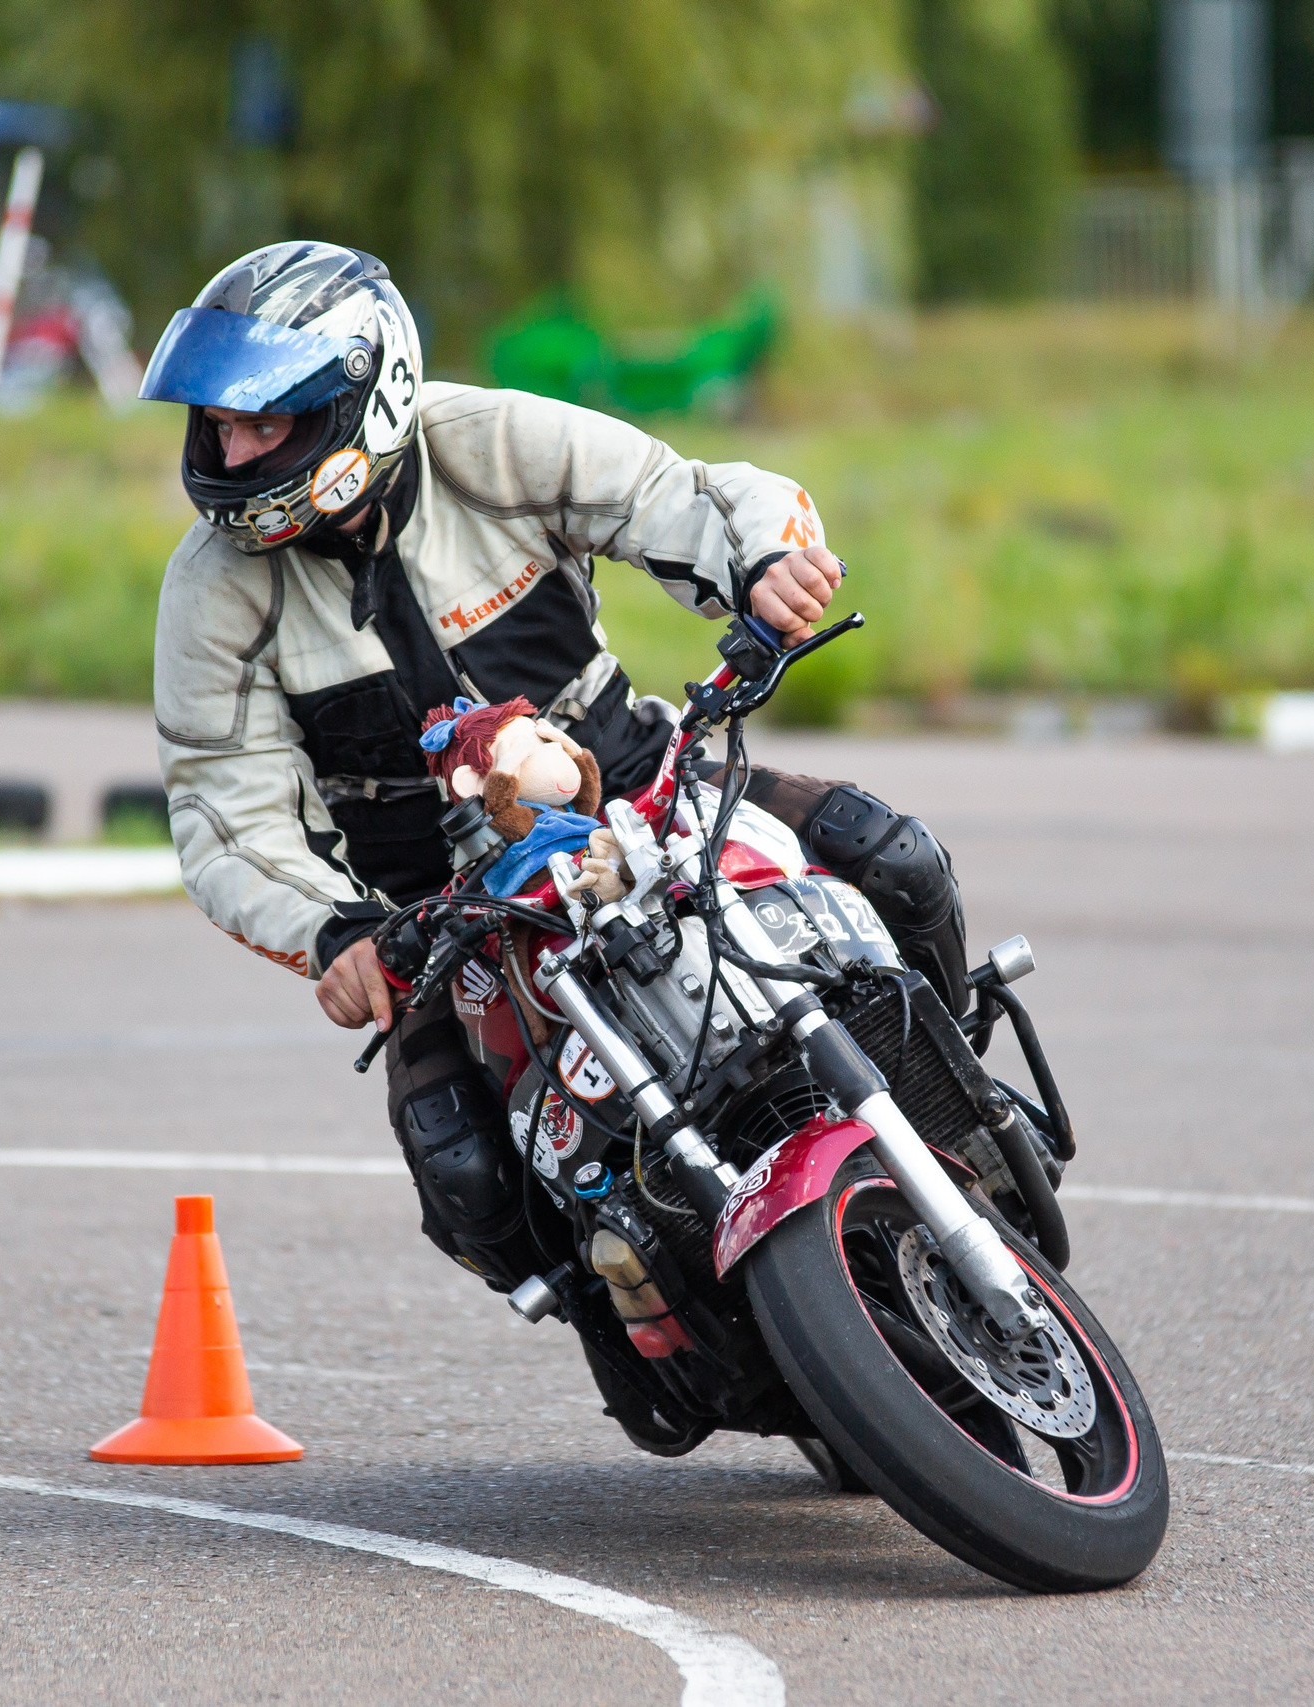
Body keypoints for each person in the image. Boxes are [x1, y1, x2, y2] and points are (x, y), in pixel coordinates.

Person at [146, 242, 971, 1288]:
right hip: (441, 920)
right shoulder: (211, 589)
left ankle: (956, 1115)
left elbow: (688, 496)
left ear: (364, 394)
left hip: (645, 798)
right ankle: (638, 1311)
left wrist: (760, 565)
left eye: (264, 420)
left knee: (891, 859)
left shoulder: (489, 442)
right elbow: (222, 812)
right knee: (466, 1178)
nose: (234, 449)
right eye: (218, 423)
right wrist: (331, 931)